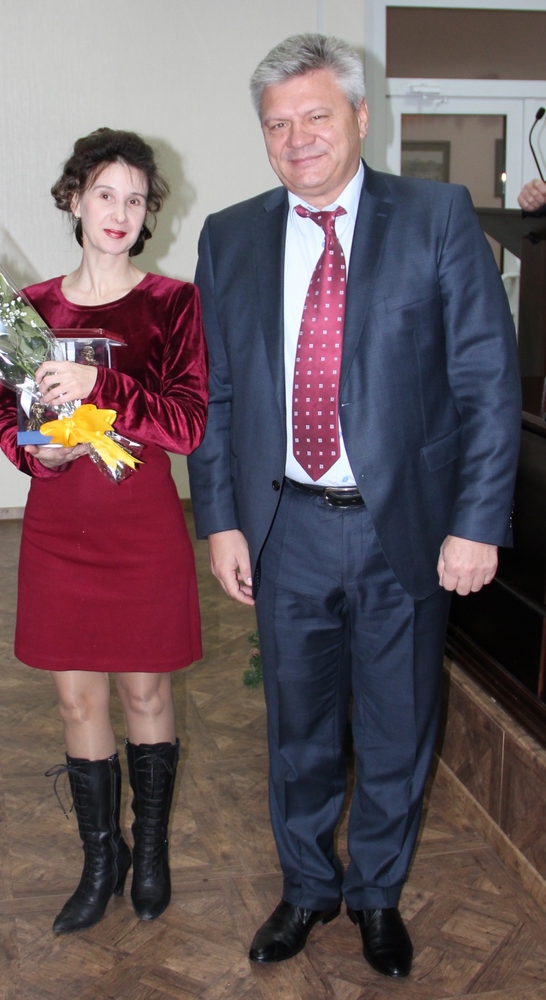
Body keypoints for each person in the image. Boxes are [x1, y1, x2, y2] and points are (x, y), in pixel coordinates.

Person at [187, 34, 521, 979]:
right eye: (276, 124)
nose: (296, 138)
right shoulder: (230, 236)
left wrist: (476, 523)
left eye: (315, 116)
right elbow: (214, 396)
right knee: (295, 730)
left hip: (401, 529)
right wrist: (219, 519)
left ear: (360, 118)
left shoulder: (436, 217)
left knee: (394, 728)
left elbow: (486, 385)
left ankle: (375, 894)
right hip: (284, 527)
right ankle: (306, 888)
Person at [0, 128, 208, 934]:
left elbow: (186, 424)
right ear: (74, 199)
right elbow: (9, 420)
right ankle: (100, 860)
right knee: (76, 700)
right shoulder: (30, 308)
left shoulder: (172, 304)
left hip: (141, 525)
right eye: (105, 194)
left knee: (145, 691)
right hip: (59, 526)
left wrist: (98, 383)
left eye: (136, 199)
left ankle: (148, 854)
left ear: (150, 213)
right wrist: (38, 452)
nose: (120, 211)